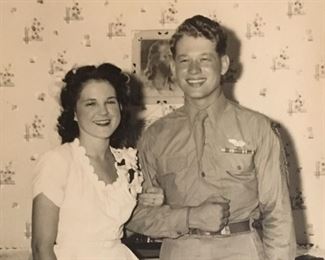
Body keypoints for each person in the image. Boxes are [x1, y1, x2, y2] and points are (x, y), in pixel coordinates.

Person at [127, 15, 296, 260]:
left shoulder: (257, 128)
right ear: (173, 68)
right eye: (185, 61)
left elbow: (277, 215)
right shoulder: (155, 136)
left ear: (224, 64)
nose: (194, 70)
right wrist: (189, 217)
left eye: (204, 59)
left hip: (242, 250)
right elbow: (135, 216)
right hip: (179, 251)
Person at [31, 63, 164, 260]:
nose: (103, 112)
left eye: (110, 102)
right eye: (91, 103)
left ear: (120, 107)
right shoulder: (58, 161)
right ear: (74, 113)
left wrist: (152, 202)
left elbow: (114, 229)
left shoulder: (126, 163)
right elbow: (41, 248)